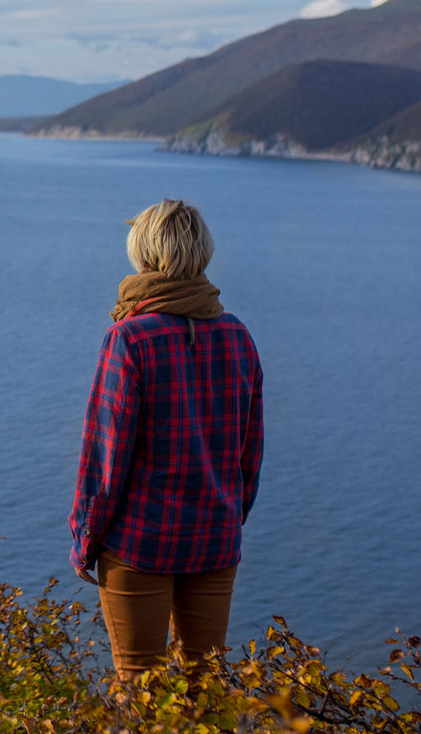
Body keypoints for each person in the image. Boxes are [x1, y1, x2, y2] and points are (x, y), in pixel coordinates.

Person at [68, 199, 263, 681]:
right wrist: (227, 515)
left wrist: (85, 538)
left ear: (145, 256)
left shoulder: (130, 338)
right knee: (204, 691)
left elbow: (104, 459)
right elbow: (249, 455)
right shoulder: (238, 336)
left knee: (139, 690)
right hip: (215, 540)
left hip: (141, 544)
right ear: (202, 253)